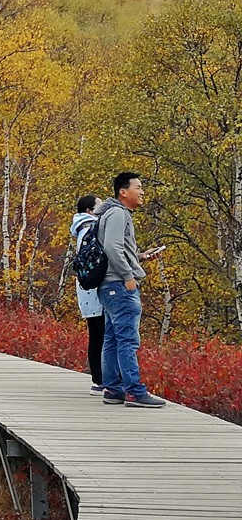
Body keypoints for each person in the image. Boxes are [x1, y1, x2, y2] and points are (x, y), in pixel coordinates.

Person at [97, 172, 166, 408]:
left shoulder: (111, 213)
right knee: (127, 339)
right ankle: (135, 391)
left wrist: (138, 258)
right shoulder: (118, 213)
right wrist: (128, 276)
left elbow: (118, 249)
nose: (142, 191)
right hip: (119, 285)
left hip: (109, 285)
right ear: (123, 192)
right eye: (138, 187)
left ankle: (113, 389)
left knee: (112, 338)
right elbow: (112, 247)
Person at [72, 194, 106, 393]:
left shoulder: (81, 229)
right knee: (101, 335)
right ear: (89, 211)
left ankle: (98, 378)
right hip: (95, 290)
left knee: (96, 334)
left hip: (85, 289)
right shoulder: (91, 228)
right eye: (100, 206)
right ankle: (101, 378)